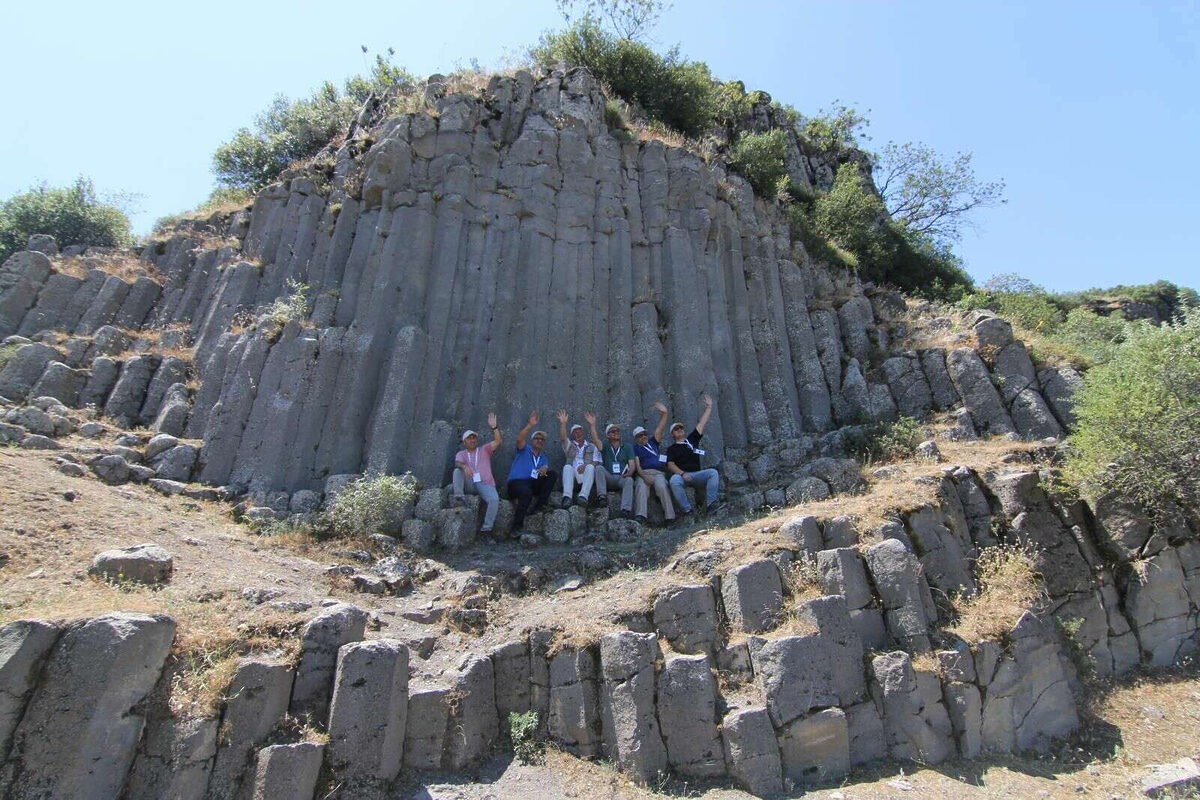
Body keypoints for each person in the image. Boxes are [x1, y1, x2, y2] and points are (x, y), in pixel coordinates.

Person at [665, 394, 721, 516]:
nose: (679, 429)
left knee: (713, 473)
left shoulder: (692, 440)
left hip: (697, 474)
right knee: (674, 480)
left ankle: (711, 505)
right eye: (676, 429)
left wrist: (709, 407)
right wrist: (683, 474)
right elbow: (670, 465)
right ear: (672, 434)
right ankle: (687, 510)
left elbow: (701, 424)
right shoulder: (671, 449)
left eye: (681, 427)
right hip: (682, 476)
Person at [452, 412, 501, 534]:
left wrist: (494, 427)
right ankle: (459, 496)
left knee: (494, 500)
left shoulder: (484, 450)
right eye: (469, 438)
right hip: (469, 482)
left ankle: (486, 528)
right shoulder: (461, 453)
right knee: (457, 471)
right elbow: (457, 463)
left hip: (484, 483)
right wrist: (464, 466)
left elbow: (498, 441)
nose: (472, 440)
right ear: (464, 442)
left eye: (474, 437)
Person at [506, 410, 554, 533]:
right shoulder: (524, 449)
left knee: (552, 474)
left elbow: (544, 468)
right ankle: (516, 527)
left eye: (542, 439)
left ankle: (540, 506)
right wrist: (530, 425)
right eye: (537, 438)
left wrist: (545, 469)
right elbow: (519, 439)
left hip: (532, 483)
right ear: (532, 441)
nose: (539, 440)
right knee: (526, 493)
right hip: (516, 484)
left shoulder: (543, 457)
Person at [632, 400, 676, 524]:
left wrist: (665, 413)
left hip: (658, 473)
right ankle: (641, 516)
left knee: (662, 486)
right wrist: (644, 476)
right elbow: (637, 465)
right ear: (636, 439)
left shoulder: (653, 442)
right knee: (641, 487)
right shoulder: (635, 448)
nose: (643, 437)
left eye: (644, 434)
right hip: (643, 472)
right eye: (640, 436)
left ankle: (670, 517)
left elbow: (660, 428)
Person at [585, 411, 635, 518]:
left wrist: (630, 472)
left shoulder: (627, 446)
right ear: (608, 435)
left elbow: (632, 464)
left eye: (617, 431)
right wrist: (592, 425)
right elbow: (595, 440)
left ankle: (625, 509)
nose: (616, 432)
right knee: (598, 468)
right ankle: (602, 497)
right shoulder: (606, 445)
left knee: (630, 480)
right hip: (609, 477)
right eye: (612, 431)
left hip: (622, 477)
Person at [556, 409, 601, 506]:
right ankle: (567, 497)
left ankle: (583, 497)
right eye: (575, 432)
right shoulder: (569, 446)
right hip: (572, 478)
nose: (578, 434)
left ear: (583, 433)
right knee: (567, 467)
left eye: (580, 431)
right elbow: (563, 438)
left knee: (591, 467)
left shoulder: (592, 446)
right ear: (572, 435)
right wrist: (563, 424)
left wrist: (586, 465)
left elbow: (597, 461)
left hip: (586, 477)